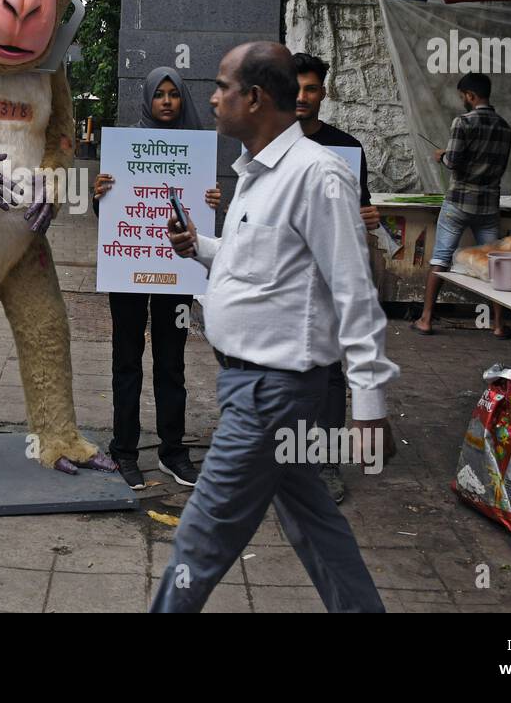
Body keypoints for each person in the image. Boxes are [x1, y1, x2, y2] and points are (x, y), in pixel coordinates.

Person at [151, 42, 397, 614]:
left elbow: (354, 293)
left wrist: (368, 405)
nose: (210, 99)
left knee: (201, 536)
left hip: (271, 392)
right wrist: (202, 249)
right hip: (252, 384)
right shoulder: (257, 173)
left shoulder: (318, 177)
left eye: (221, 86)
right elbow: (260, 264)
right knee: (315, 524)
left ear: (255, 97)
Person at [92, 67, 220, 490]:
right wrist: (101, 196)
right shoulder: (126, 147)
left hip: (176, 271)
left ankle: (172, 451)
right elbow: (109, 218)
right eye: (160, 95)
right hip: (129, 268)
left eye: (174, 95)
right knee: (126, 360)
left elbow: (202, 223)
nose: (167, 102)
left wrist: (211, 200)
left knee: (172, 361)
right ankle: (124, 450)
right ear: (147, 100)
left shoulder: (197, 149)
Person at [294, 52, 380, 504]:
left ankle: (324, 462)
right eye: (296, 89)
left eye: (311, 89)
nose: (302, 97)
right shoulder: (267, 145)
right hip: (284, 281)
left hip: (327, 279)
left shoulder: (346, 150)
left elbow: (359, 210)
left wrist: (368, 217)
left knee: (328, 372)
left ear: (323, 95)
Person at [412, 72, 511, 339]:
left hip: (458, 203)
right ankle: (499, 325)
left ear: (470, 95)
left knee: (440, 259)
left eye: (463, 97)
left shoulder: (463, 122)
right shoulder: (505, 128)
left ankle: (425, 320)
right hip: (488, 206)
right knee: (496, 265)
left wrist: (442, 156)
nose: (463, 102)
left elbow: (454, 161)